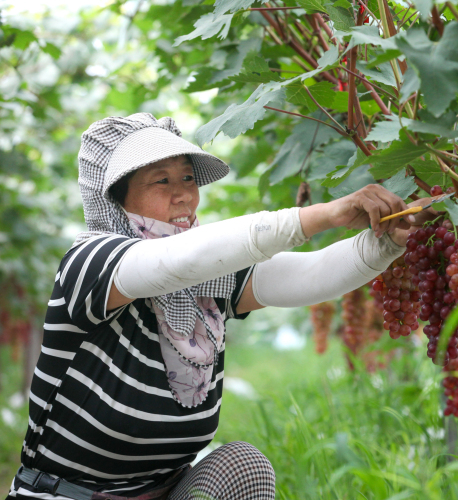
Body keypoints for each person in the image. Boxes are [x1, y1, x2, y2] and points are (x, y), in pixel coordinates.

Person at [7, 113, 436, 500]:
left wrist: (385, 242)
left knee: (243, 466)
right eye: (162, 181)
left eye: (188, 180)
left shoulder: (206, 285)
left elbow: (311, 273)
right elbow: (178, 262)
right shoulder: (93, 262)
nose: (184, 197)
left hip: (164, 493)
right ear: (117, 199)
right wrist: (324, 214)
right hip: (64, 496)